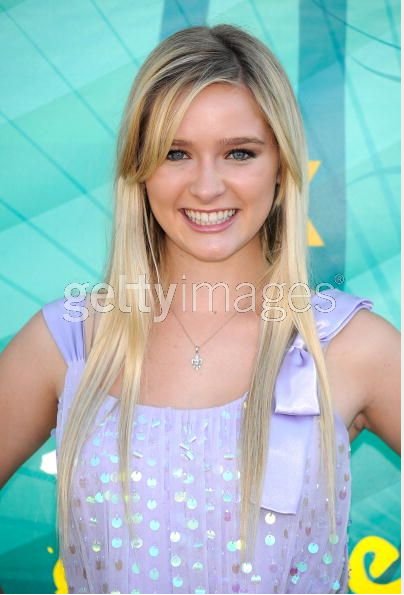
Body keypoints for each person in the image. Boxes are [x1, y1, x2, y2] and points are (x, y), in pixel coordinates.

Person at [0, 24, 400, 595]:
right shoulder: (68, 340)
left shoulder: (349, 345)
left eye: (239, 152)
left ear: (282, 168)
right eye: (175, 152)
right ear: (139, 169)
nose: (207, 185)